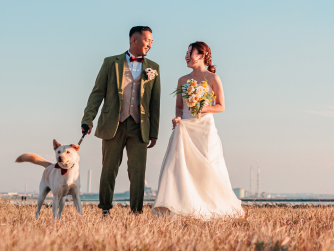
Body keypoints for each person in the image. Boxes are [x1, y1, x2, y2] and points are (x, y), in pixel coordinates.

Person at [152, 41, 243, 218]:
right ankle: (183, 205)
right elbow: (179, 106)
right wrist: (178, 117)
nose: (186, 56)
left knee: (208, 166)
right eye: (186, 52)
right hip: (185, 128)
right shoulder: (182, 80)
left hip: (205, 129)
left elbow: (221, 106)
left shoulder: (213, 79)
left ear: (201, 55)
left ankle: (211, 206)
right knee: (181, 166)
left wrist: (202, 108)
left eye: (190, 53)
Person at [80, 26, 161, 216]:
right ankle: (105, 209)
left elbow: (155, 103)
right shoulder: (110, 63)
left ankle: (136, 212)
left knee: (138, 172)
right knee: (108, 169)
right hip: (112, 124)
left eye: (151, 41)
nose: (150, 44)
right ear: (134, 40)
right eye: (147, 40)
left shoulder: (154, 68)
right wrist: (87, 119)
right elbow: (97, 93)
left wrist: (154, 132)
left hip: (139, 126)